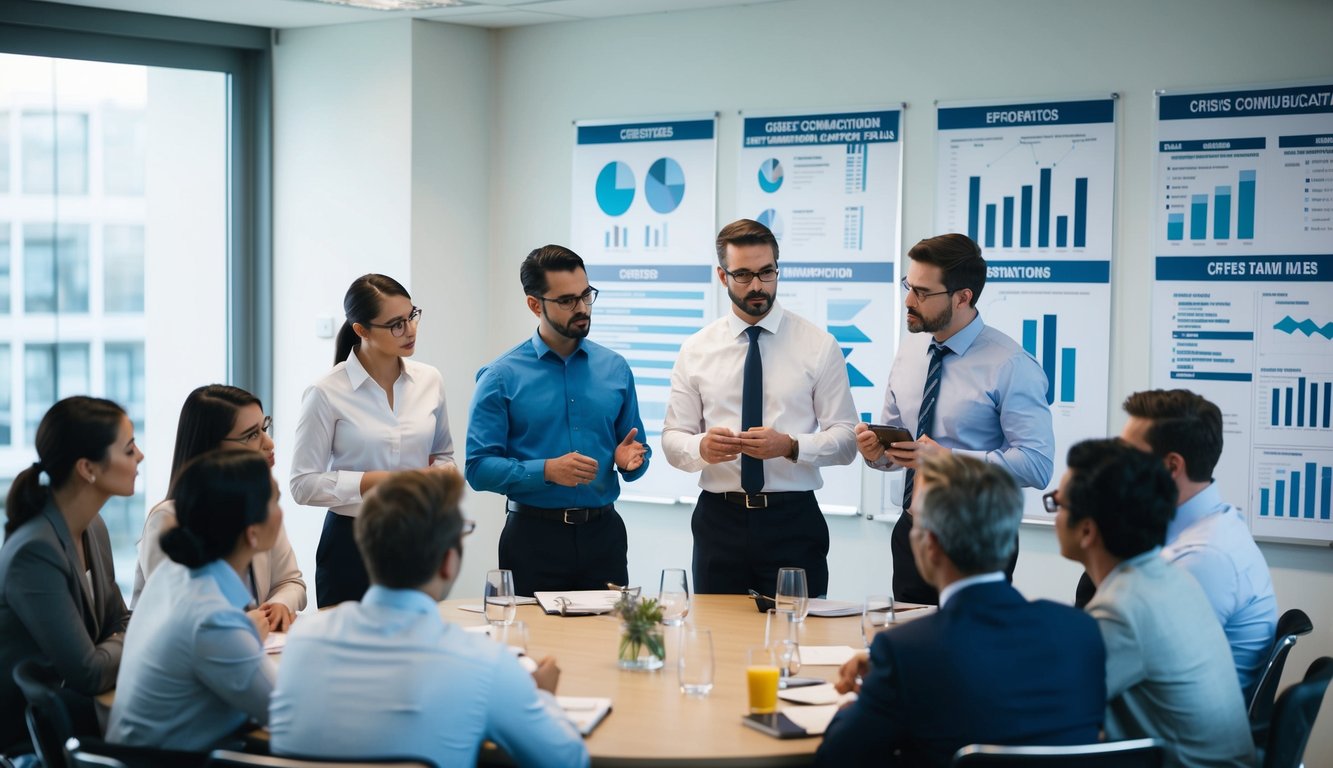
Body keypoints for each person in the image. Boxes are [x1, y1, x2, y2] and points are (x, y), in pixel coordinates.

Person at [270, 470, 589, 768]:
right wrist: (543, 696)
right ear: (448, 562)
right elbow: (569, 760)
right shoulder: (483, 665)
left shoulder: (302, 643)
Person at [816, 453, 1105, 767]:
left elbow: (836, 758)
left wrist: (859, 702)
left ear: (931, 545)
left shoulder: (906, 652)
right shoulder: (1080, 632)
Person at [662, 219, 857, 597]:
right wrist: (700, 448)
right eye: (744, 275)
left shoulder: (818, 345)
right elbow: (673, 439)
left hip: (793, 520)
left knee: (796, 636)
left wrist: (790, 446)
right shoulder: (696, 349)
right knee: (716, 642)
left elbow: (847, 440)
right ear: (722, 276)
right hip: (719, 519)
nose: (757, 286)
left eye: (767, 272)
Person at [855, 233, 1054, 604]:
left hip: (978, 539)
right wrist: (876, 452)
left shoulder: (1010, 364)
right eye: (908, 286)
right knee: (913, 649)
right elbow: (900, 449)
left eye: (923, 293)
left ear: (963, 297)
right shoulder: (912, 349)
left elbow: (1037, 465)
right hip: (912, 531)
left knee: (972, 653)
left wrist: (949, 461)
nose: (909, 302)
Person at [1053, 439, 1256, 767]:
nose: (1056, 516)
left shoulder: (1122, 608)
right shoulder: (1172, 578)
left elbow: (1055, 708)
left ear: (1087, 530)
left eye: (1057, 504)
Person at [466, 245, 648, 595]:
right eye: (567, 300)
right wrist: (546, 471)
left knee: (606, 646)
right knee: (530, 646)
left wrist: (629, 463)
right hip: (533, 539)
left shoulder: (616, 368)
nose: (581, 308)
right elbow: (477, 468)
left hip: (604, 535)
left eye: (586, 295)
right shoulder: (500, 376)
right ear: (535, 304)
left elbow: (637, 453)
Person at [1073, 389, 1276, 701]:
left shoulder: (1201, 560)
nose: (1118, 465)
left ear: (1171, 467)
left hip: (1180, 740)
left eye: (1129, 454)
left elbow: (1108, 673)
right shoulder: (1219, 525)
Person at [291, 274, 455, 606]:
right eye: (395, 324)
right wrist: (385, 482)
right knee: (349, 653)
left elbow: (444, 455)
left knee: (416, 649)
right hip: (351, 544)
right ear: (362, 330)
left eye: (412, 316)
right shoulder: (326, 392)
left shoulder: (430, 379)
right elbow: (302, 484)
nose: (410, 330)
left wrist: (441, 476)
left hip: (418, 537)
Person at [108, 449, 280, 750]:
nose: (282, 512)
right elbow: (284, 709)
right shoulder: (212, 617)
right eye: (274, 501)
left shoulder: (174, 573)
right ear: (252, 533)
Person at [0, 397, 139, 750]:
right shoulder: (34, 551)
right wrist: (142, 631)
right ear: (87, 468)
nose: (140, 457)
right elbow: (88, 672)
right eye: (129, 449)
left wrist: (130, 631)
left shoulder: (94, 526)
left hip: (80, 714)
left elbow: (117, 620)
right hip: (35, 737)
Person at [132, 385, 306, 629]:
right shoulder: (168, 519)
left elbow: (291, 581)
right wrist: (245, 623)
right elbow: (181, 615)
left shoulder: (258, 506)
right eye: (252, 435)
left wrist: (278, 605)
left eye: (264, 429)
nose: (269, 443)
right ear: (212, 448)